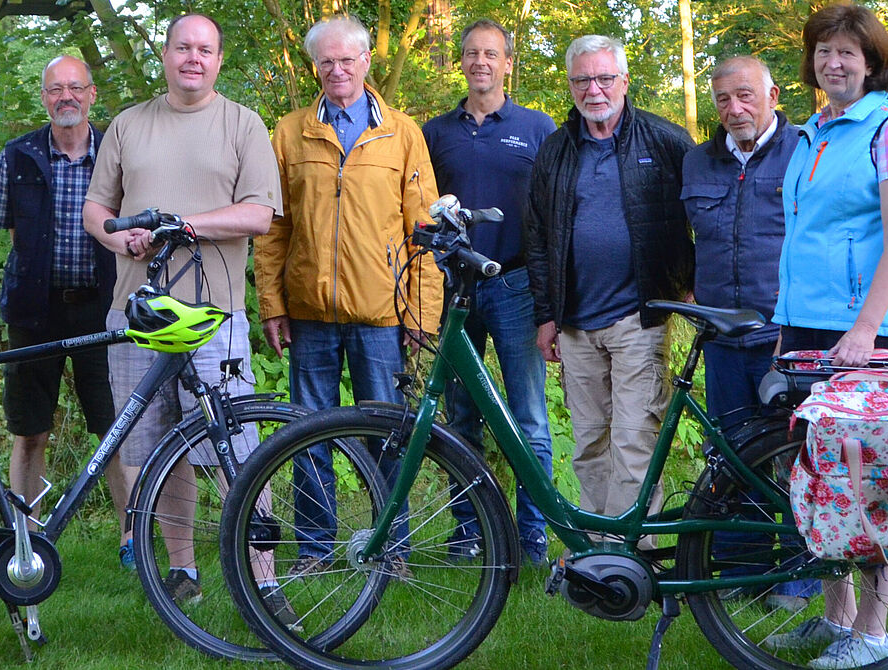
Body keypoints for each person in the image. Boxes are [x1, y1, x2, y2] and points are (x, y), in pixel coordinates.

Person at [81, 13, 283, 606]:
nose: (193, 58)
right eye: (182, 47)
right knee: (154, 453)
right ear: (164, 56)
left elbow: (258, 215)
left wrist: (184, 227)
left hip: (214, 318)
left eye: (205, 49)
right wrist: (119, 240)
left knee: (237, 448)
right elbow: (98, 208)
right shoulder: (127, 125)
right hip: (136, 316)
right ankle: (183, 573)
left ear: (219, 61)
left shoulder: (243, 125)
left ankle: (265, 580)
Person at [763, 5, 888, 668]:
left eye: (848, 53)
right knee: (815, 474)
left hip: (869, 331)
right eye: (825, 50)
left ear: (871, 61)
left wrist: (864, 329)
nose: (835, 62)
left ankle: (873, 632)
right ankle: (836, 620)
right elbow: (799, 242)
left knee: (872, 480)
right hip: (807, 327)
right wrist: (784, 328)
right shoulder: (814, 133)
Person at [254, 15, 442, 577]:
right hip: (309, 313)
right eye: (326, 62)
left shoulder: (403, 133)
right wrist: (273, 303)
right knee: (308, 436)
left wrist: (420, 312)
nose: (337, 70)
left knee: (386, 435)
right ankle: (314, 550)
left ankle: (392, 549)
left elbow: (424, 230)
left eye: (347, 60)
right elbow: (272, 228)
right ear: (316, 67)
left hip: (381, 314)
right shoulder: (288, 133)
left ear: (366, 62)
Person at [525, 35, 693, 534]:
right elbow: (537, 235)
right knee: (590, 440)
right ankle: (596, 550)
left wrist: (691, 279)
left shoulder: (665, 141)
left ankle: (632, 551)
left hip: (639, 315)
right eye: (582, 80)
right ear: (571, 86)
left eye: (603, 78)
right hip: (575, 319)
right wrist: (546, 314)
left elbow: (705, 211)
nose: (593, 90)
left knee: (635, 437)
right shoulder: (556, 149)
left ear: (624, 81)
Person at [681, 55, 819, 613]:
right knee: (730, 456)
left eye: (745, 95)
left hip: (785, 335)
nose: (734, 108)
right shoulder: (696, 161)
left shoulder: (807, 151)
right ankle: (741, 569)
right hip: (720, 337)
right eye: (722, 99)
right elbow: (676, 236)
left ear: (773, 94)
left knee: (794, 455)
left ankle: (799, 574)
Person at [421, 18, 557, 566]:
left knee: (529, 418)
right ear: (461, 62)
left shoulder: (537, 127)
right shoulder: (435, 132)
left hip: (516, 285)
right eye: (472, 53)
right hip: (455, 289)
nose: (481, 62)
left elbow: (553, 210)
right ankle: (469, 531)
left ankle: (533, 538)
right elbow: (419, 209)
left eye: (491, 54)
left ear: (507, 63)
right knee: (461, 417)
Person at [0, 55, 117, 531]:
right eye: (56, 89)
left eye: (75, 88)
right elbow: (9, 233)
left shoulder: (114, 152)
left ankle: (130, 540)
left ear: (91, 95)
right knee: (29, 430)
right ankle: (26, 536)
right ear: (44, 98)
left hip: (102, 310)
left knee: (114, 430)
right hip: (33, 312)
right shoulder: (17, 155)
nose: (66, 97)